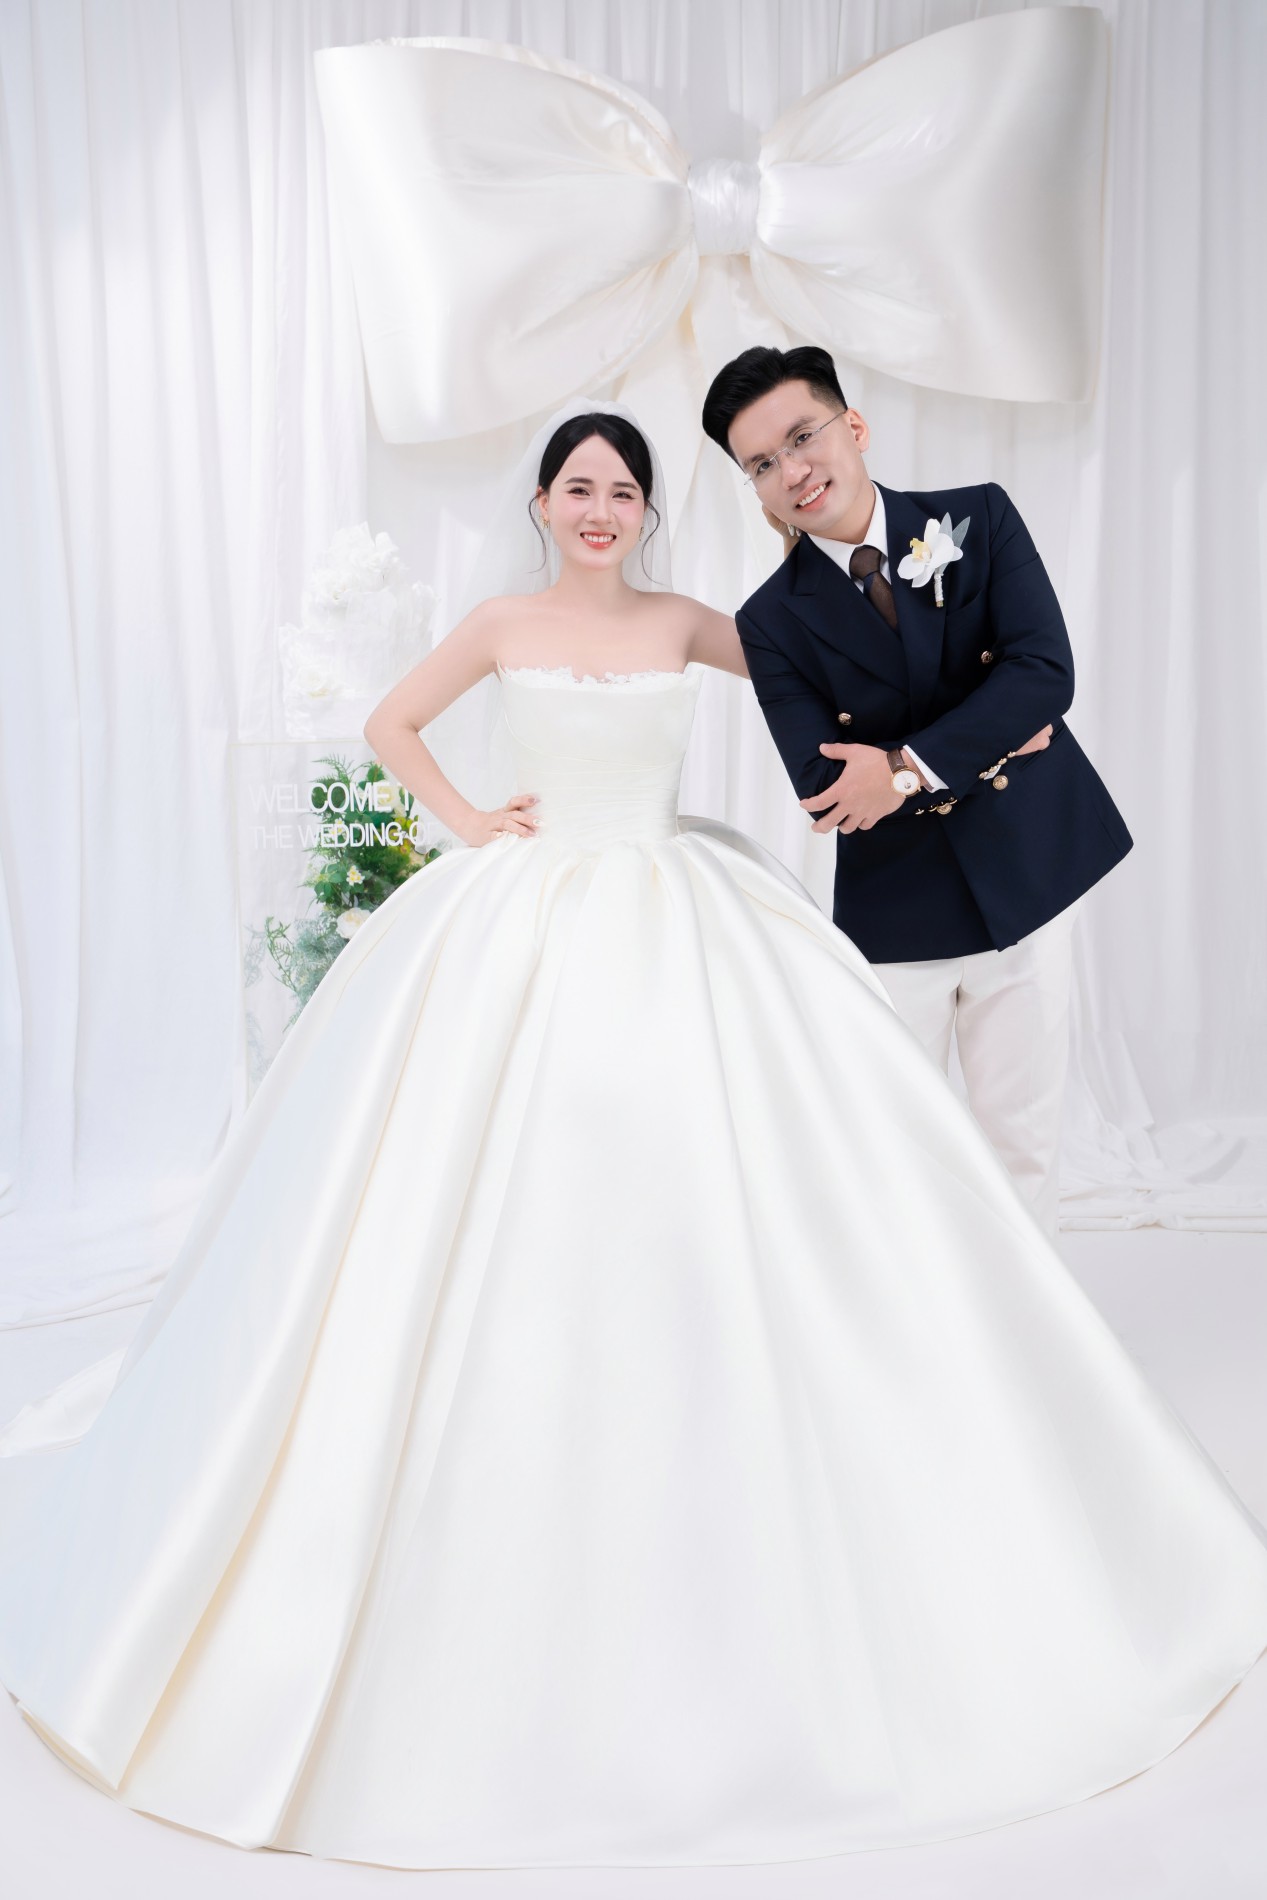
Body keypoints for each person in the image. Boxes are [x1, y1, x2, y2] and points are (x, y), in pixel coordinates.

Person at [0, 403, 1264, 1874]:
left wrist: (958, 735)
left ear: (649, 513)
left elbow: (821, 668)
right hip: (523, 914)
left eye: (623, 490)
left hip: (676, 899)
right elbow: (390, 723)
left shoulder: (689, 622)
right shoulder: (499, 620)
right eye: (578, 487)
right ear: (543, 502)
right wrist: (468, 819)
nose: (599, 508)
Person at [703, 346, 1133, 1236]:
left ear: (852, 426)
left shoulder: (979, 517)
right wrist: (989, 730)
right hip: (899, 903)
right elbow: (827, 788)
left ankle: (1026, 1316)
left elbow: (1043, 674)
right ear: (755, 490)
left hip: (1029, 869)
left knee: (1023, 1143)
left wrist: (901, 768)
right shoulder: (768, 621)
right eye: (762, 464)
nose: (792, 471)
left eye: (801, 437)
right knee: (901, 1149)